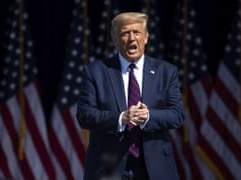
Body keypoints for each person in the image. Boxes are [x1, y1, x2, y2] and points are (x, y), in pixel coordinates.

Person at [77, 12, 185, 180]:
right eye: (125, 33)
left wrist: (149, 116)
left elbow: (177, 115)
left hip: (155, 168)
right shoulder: (96, 72)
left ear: (146, 38)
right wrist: (121, 118)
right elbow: (84, 116)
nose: (132, 38)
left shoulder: (166, 71)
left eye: (137, 32)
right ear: (115, 40)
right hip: (109, 168)